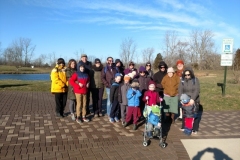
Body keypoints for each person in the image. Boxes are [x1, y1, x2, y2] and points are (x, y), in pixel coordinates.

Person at [178, 67, 200, 134]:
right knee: (185, 113)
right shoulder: (182, 80)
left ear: (191, 74)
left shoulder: (195, 80)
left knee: (194, 114)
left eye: (188, 75)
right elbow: (180, 90)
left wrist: (192, 99)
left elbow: (197, 90)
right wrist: (181, 99)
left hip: (194, 99)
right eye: (185, 75)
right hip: (185, 98)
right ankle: (184, 126)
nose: (187, 76)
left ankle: (195, 129)